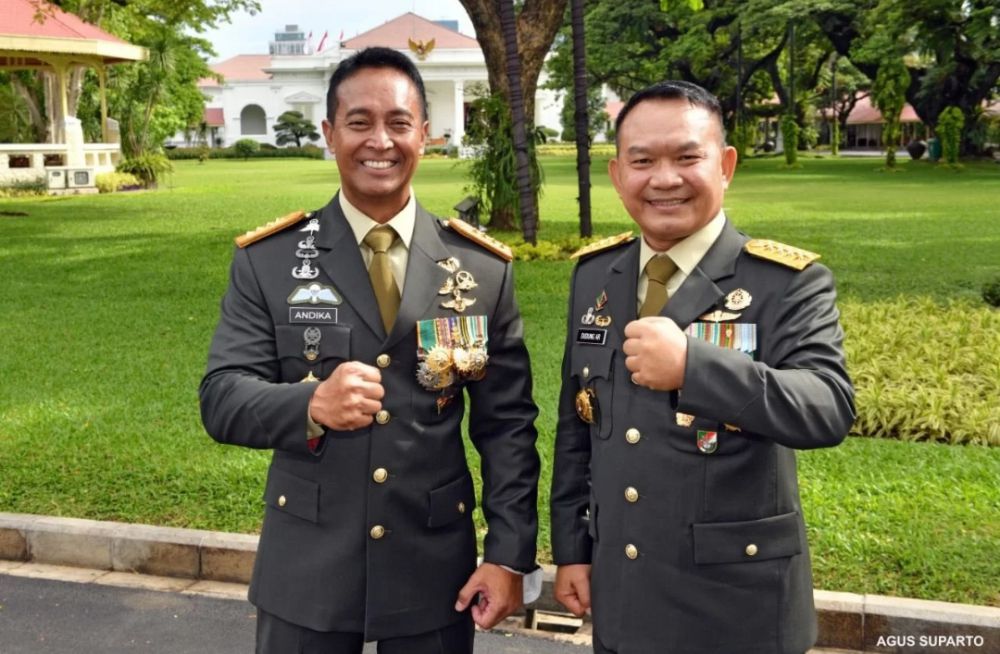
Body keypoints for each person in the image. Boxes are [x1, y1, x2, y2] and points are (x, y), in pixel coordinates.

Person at [200, 47, 540, 654]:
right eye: (359, 122)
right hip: (308, 569)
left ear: (424, 135)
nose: (380, 141)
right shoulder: (270, 261)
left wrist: (509, 554)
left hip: (433, 570)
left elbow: (507, 425)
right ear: (330, 133)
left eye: (398, 123)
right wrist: (311, 405)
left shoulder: (481, 269)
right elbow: (222, 398)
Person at [549, 80, 856, 654]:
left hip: (735, 607)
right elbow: (578, 426)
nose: (664, 179)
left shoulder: (785, 282)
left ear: (725, 165)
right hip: (623, 597)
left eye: (687, 157)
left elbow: (828, 406)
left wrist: (694, 367)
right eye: (642, 161)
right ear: (618, 174)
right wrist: (571, 549)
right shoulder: (595, 276)